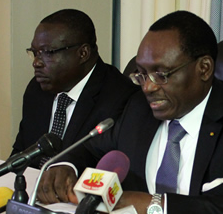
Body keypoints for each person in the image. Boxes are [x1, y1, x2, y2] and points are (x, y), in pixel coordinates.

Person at [36, 10, 223, 214]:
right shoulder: (138, 108)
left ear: (204, 69)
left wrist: (158, 207)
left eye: (161, 74)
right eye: (141, 73)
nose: (148, 87)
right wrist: (67, 165)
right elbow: (94, 149)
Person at [11, 9, 136, 167]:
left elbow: (108, 170)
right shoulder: (36, 90)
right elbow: (21, 154)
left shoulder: (121, 99)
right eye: (35, 53)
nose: (36, 62)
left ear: (83, 53)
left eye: (47, 53)